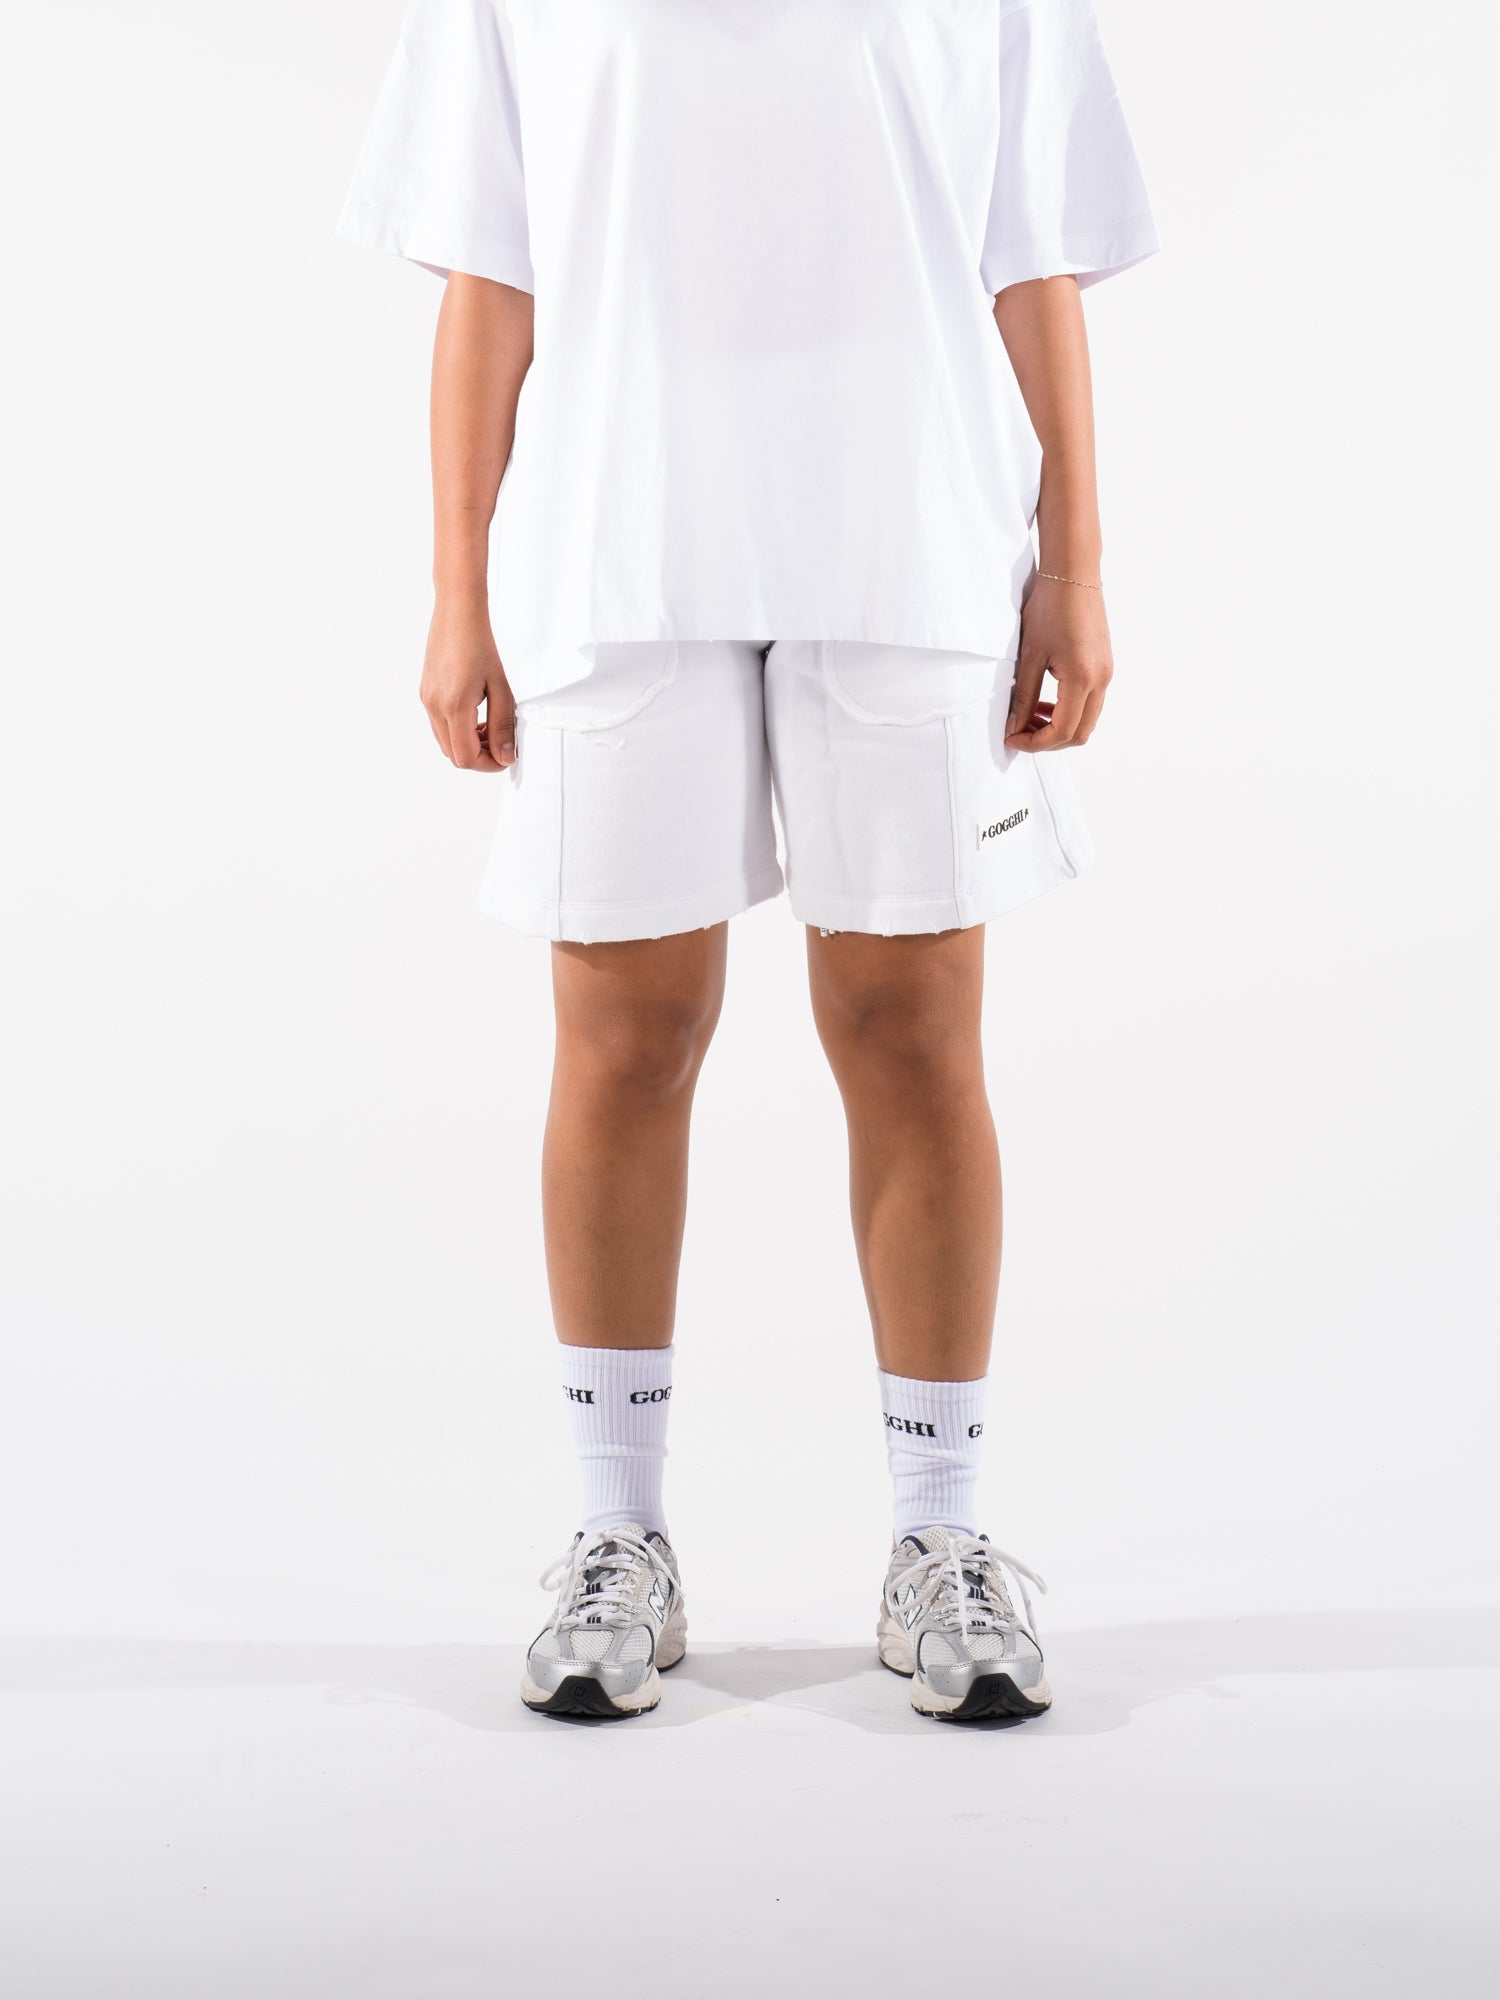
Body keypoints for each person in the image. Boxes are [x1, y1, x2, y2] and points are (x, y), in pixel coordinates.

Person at [338, 0, 1157, 1724]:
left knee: (912, 1035)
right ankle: (617, 1538)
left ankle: (941, 1538)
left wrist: (1073, 566)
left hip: (908, 532)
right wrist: (457, 588)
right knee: (626, 1041)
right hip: (618, 538)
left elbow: (1033, 258)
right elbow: (491, 277)